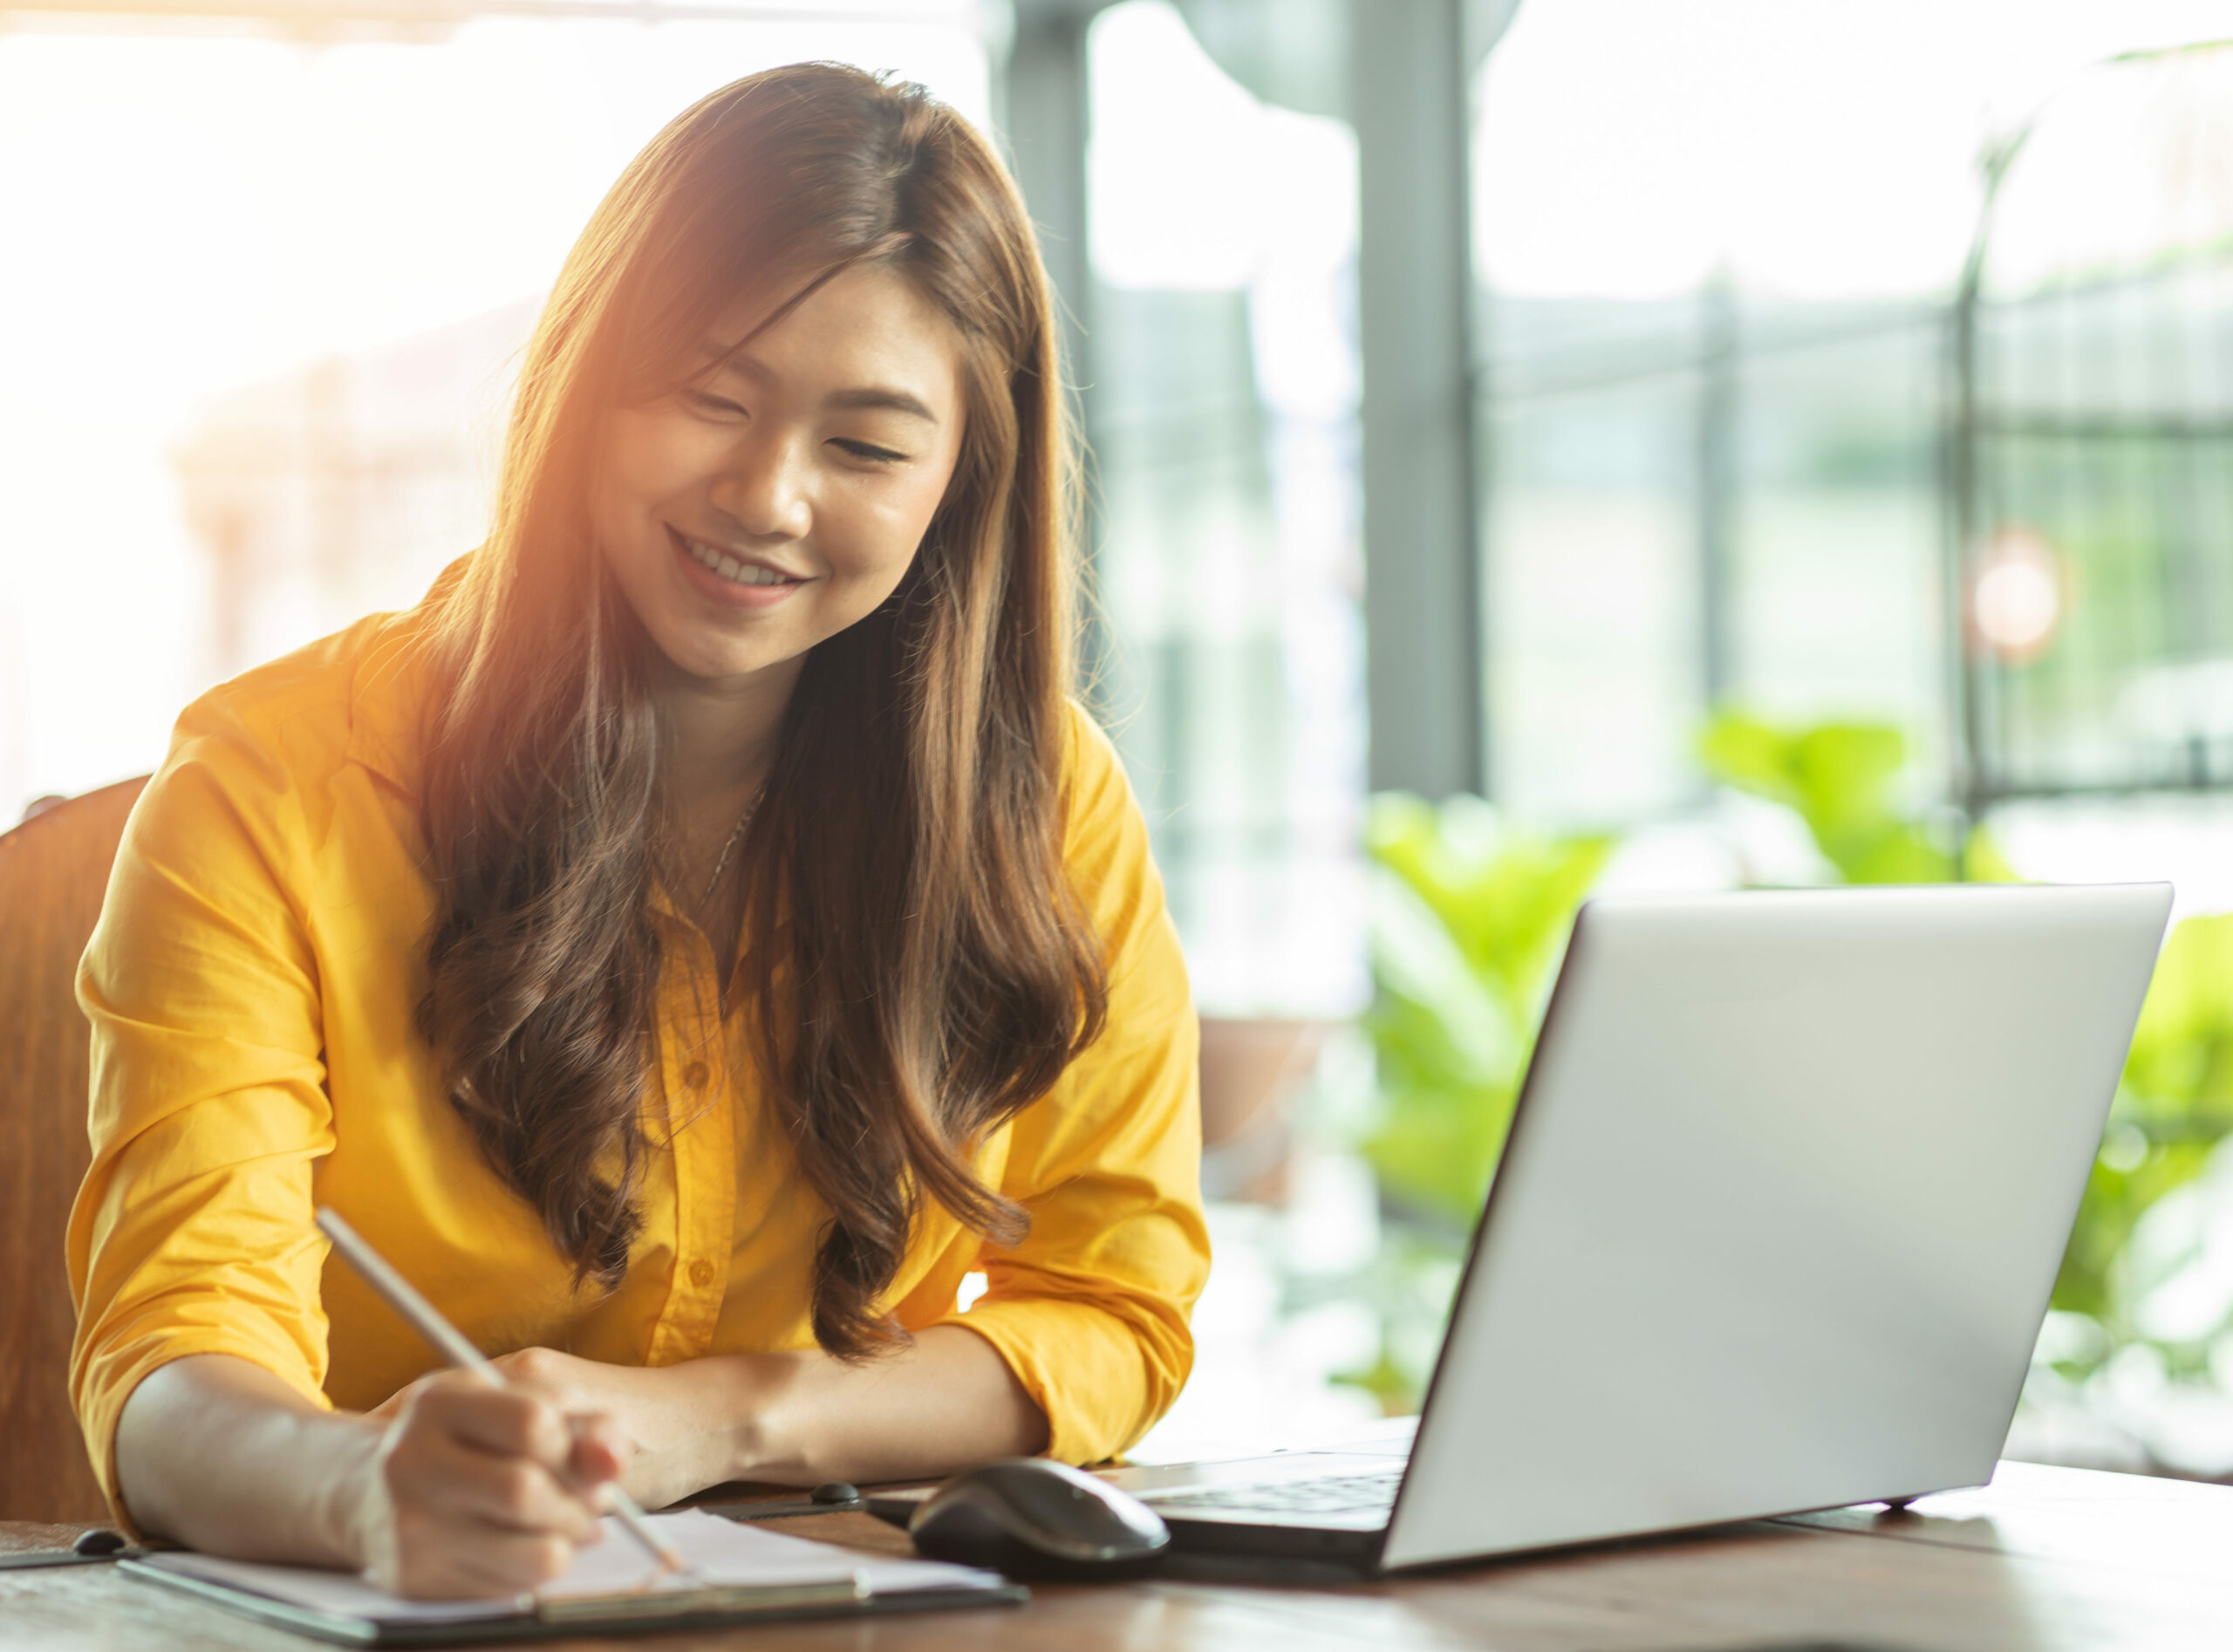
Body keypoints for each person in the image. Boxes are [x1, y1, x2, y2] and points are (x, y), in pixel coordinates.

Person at [67, 63, 1208, 1601]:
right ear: (587, 381)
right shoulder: (269, 785)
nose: (767, 496)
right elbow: (170, 1362)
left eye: (866, 447)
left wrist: (728, 1416)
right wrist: (358, 1485)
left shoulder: (1045, 799)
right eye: (709, 397)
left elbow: (1114, 1307)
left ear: (961, 481)